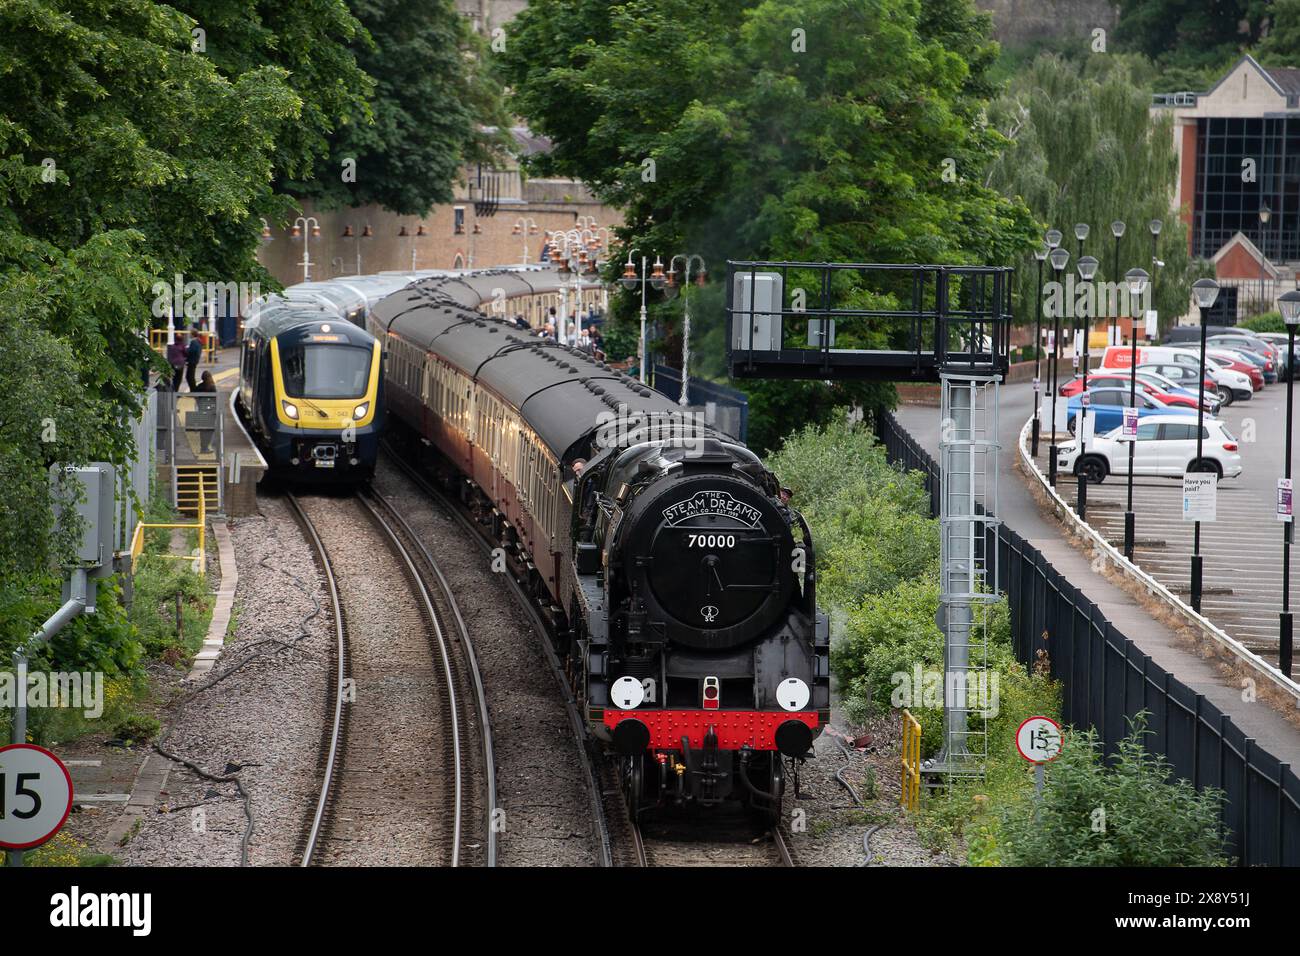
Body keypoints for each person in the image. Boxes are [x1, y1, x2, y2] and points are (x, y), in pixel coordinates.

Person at [193, 370, 217, 452]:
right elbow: (215, 400)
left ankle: (203, 447)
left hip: (201, 411)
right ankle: (205, 447)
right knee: (210, 430)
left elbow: (194, 396)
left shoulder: (199, 387)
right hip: (210, 412)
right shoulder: (212, 387)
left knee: (203, 430)